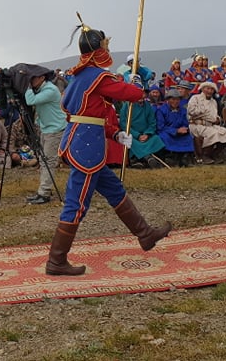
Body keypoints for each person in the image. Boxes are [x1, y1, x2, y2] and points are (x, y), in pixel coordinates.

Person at [44, 23, 171, 276]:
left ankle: (144, 234)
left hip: (84, 141)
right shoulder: (97, 77)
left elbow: (86, 114)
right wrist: (137, 84)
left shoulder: (80, 76)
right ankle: (56, 261)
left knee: (114, 189)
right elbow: (131, 95)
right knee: (76, 204)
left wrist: (114, 132)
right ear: (98, 49)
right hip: (86, 148)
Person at [24, 68, 67, 205]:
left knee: (49, 161)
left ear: (42, 78)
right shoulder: (44, 89)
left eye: (33, 78)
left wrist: (26, 86)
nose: (31, 81)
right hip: (47, 128)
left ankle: (44, 193)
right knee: (44, 160)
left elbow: (30, 100)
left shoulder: (50, 90)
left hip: (55, 129)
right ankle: (43, 190)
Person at [186, 81, 226, 164]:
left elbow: (215, 115)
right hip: (197, 125)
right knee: (213, 133)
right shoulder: (195, 98)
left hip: (210, 125)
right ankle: (204, 155)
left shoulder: (214, 101)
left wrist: (218, 119)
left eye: (212, 89)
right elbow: (191, 111)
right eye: (208, 88)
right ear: (202, 89)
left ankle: (213, 154)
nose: (210, 91)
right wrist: (205, 113)